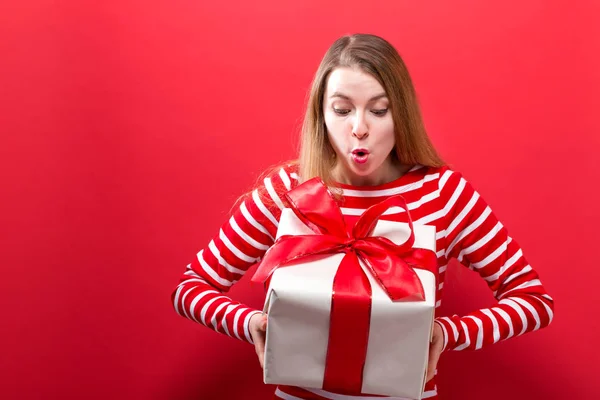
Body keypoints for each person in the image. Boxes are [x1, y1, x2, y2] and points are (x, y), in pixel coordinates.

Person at [171, 33, 554, 399]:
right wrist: (251, 324)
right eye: (341, 110)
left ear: (400, 113)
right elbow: (190, 288)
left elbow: (534, 300)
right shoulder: (288, 192)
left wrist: (444, 333)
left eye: (378, 109)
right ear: (321, 114)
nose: (359, 128)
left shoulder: (443, 193)